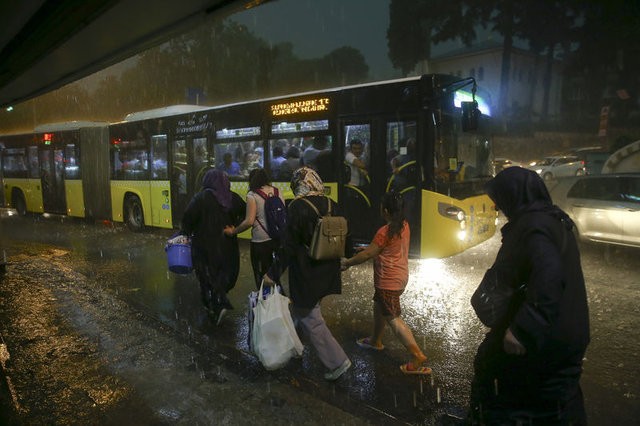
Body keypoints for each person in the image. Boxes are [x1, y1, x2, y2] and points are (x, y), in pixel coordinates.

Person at [468, 167, 590, 425]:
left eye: (501, 200)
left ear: (515, 196)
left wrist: (525, 328)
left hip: (547, 341)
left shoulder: (533, 226)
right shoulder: (551, 219)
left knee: (521, 396)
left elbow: (550, 272)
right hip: (564, 336)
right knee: (560, 400)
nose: (499, 208)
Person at [263, 167, 351, 381]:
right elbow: (346, 234)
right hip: (328, 267)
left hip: (307, 270)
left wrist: (272, 273)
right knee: (302, 310)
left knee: (310, 317)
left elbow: (289, 246)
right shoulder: (332, 204)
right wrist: (344, 258)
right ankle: (295, 346)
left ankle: (338, 363)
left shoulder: (297, 207)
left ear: (299, 184)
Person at [340, 191, 430, 375]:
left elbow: (368, 254)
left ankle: (417, 356)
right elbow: (382, 248)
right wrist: (368, 248)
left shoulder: (384, 231)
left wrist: (347, 263)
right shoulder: (403, 226)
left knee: (394, 318)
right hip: (400, 277)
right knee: (378, 305)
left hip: (388, 281)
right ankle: (375, 340)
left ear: (386, 211)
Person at [180, 169, 246, 325]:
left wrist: (185, 232)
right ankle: (220, 299)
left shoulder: (201, 198)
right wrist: (234, 227)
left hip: (205, 246)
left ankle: (214, 306)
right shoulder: (232, 197)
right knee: (223, 274)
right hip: (227, 246)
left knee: (206, 276)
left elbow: (187, 219)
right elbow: (246, 213)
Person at [224, 168, 284, 289]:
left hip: (260, 242)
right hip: (277, 239)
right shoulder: (277, 191)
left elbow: (249, 221)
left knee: (261, 275)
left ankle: (265, 303)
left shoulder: (252, 195)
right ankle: (277, 302)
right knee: (274, 275)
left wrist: (233, 231)